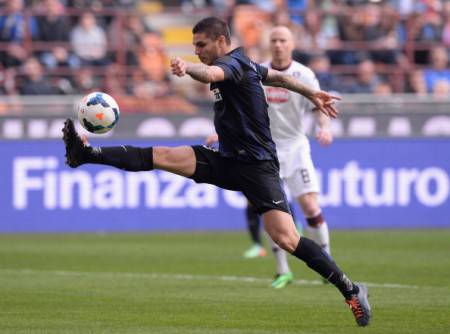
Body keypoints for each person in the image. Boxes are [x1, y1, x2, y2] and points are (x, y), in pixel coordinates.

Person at [62, 17, 371, 327]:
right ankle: (86, 153)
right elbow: (276, 77)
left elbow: (211, 72)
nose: (197, 51)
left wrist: (187, 68)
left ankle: (351, 290)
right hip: (226, 159)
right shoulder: (247, 63)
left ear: (221, 41)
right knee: (163, 155)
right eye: (194, 46)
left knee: (287, 238)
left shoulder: (231, 64)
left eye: (201, 45)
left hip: (257, 168)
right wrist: (311, 93)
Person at [206, 26, 335, 289]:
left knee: (310, 207)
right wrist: (220, 133)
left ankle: (326, 261)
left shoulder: (304, 74)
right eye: (274, 40)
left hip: (296, 147)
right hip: (264, 150)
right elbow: (237, 107)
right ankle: (282, 271)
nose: (277, 45)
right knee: (270, 211)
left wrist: (324, 126)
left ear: (292, 43)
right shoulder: (256, 69)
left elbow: (317, 104)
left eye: (283, 40)